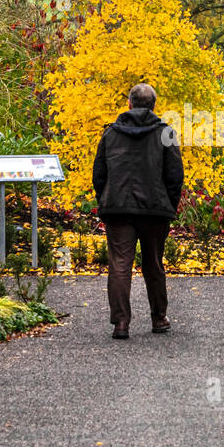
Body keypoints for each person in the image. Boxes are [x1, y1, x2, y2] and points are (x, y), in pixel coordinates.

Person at [92, 83, 184, 339]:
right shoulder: (165, 133)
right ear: (154, 106)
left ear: (129, 104)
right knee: (153, 263)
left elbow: (99, 174)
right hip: (155, 209)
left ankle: (121, 323)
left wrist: (106, 201)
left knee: (120, 264)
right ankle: (159, 318)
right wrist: (169, 205)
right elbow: (175, 175)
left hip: (118, 209)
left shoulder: (111, 134)